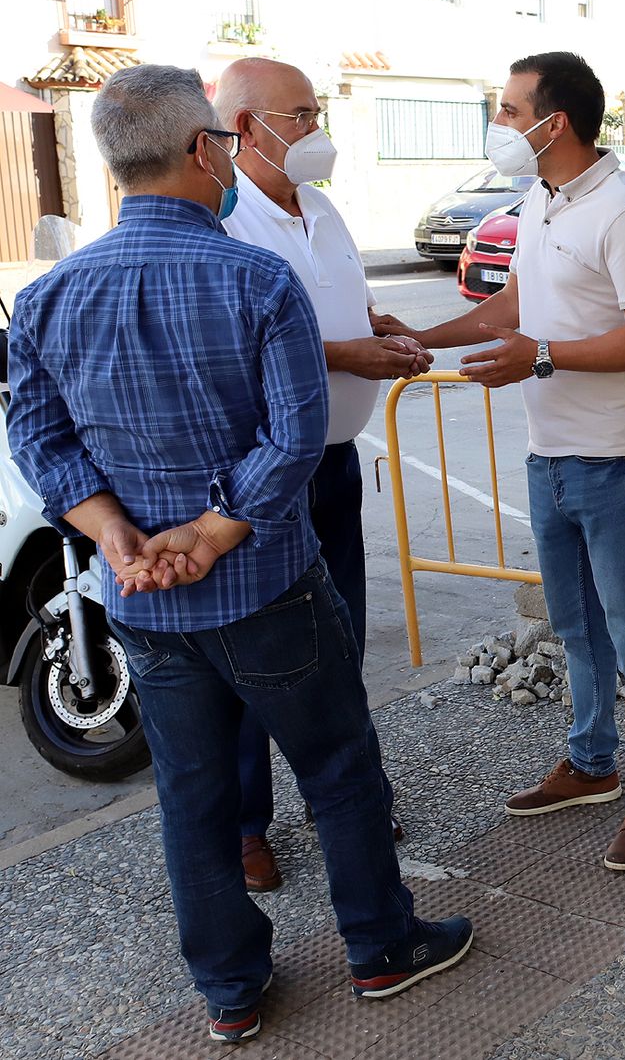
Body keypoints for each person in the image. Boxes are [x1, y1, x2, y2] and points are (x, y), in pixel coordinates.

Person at [6, 64, 470, 1044]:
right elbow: (297, 434)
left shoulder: (50, 296)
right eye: (218, 140)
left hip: (144, 599)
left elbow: (40, 440)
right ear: (198, 150)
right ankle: (380, 948)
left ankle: (230, 987)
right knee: (339, 767)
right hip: (266, 585)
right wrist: (215, 530)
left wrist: (116, 534)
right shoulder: (255, 277)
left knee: (191, 789)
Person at [398, 52, 625, 872]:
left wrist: (544, 358)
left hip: (615, 463)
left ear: (555, 122)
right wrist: (420, 338)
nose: (502, 124)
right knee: (577, 630)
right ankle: (592, 765)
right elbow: (513, 305)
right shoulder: (540, 196)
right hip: (548, 457)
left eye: (511, 109)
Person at [212, 57, 424, 893]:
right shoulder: (227, 219)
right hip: (269, 473)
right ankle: (243, 827)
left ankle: (347, 796)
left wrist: (382, 329)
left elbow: (343, 306)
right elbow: (242, 345)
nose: (316, 130)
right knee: (254, 654)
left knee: (340, 642)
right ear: (243, 129)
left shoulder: (324, 208)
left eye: (315, 110)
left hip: (335, 463)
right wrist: (351, 352)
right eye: (298, 115)